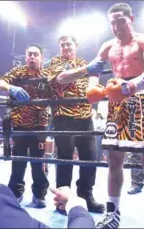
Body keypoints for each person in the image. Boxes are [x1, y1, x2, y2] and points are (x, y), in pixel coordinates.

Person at [87, 3, 144, 228]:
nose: (116, 26)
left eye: (120, 21)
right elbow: (94, 69)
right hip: (116, 103)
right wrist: (94, 88)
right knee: (114, 160)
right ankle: (112, 215)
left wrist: (134, 84)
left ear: (131, 18)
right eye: (112, 22)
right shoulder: (107, 46)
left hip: (142, 97)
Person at [47, 35, 105, 214]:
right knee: (65, 158)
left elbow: (93, 81)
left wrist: (95, 84)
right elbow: (61, 79)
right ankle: (63, 200)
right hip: (64, 116)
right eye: (62, 45)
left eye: (68, 44)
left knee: (90, 157)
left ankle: (86, 196)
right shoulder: (55, 62)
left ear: (76, 45)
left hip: (85, 117)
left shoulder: (82, 62)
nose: (65, 47)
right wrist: (87, 69)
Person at [0, 44, 50, 208]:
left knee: (38, 162)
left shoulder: (47, 74)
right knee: (18, 161)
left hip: (40, 125)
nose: (32, 57)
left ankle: (39, 194)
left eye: (36, 54)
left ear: (41, 57)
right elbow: (0, 83)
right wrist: (12, 87)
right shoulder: (18, 72)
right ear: (26, 57)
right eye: (29, 54)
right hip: (19, 124)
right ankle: (16, 192)